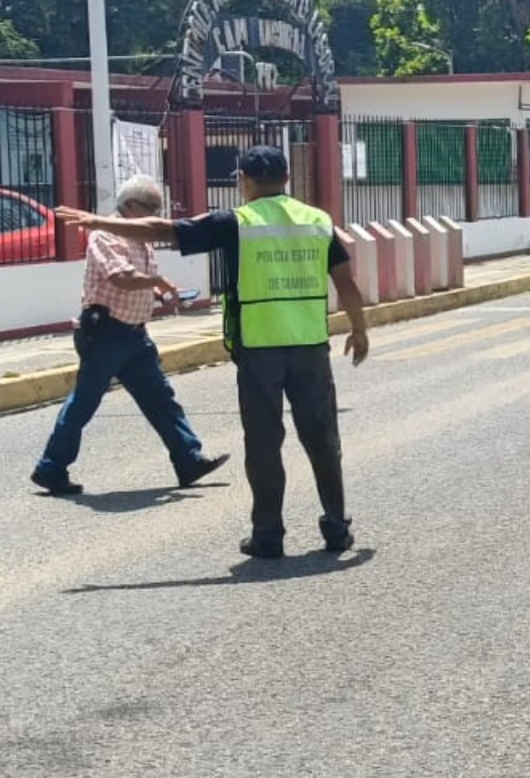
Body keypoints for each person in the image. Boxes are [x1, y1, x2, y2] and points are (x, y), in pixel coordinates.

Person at [60, 145, 371, 560]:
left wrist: (99, 221)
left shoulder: (236, 222)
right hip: (310, 346)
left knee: (264, 444)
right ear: (286, 179)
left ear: (243, 180)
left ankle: (268, 535)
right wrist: (359, 329)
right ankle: (336, 528)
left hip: (259, 348)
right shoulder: (317, 221)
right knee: (322, 438)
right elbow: (345, 281)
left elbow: (164, 230)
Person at [30, 174, 223, 498]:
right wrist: (158, 282)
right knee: (83, 404)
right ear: (131, 206)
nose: (156, 215)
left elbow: (139, 282)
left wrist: (160, 293)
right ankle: (51, 467)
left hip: (134, 334)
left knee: (161, 399)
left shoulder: (140, 238)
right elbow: (121, 277)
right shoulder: (106, 236)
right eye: (151, 208)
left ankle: (188, 459)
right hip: (107, 334)